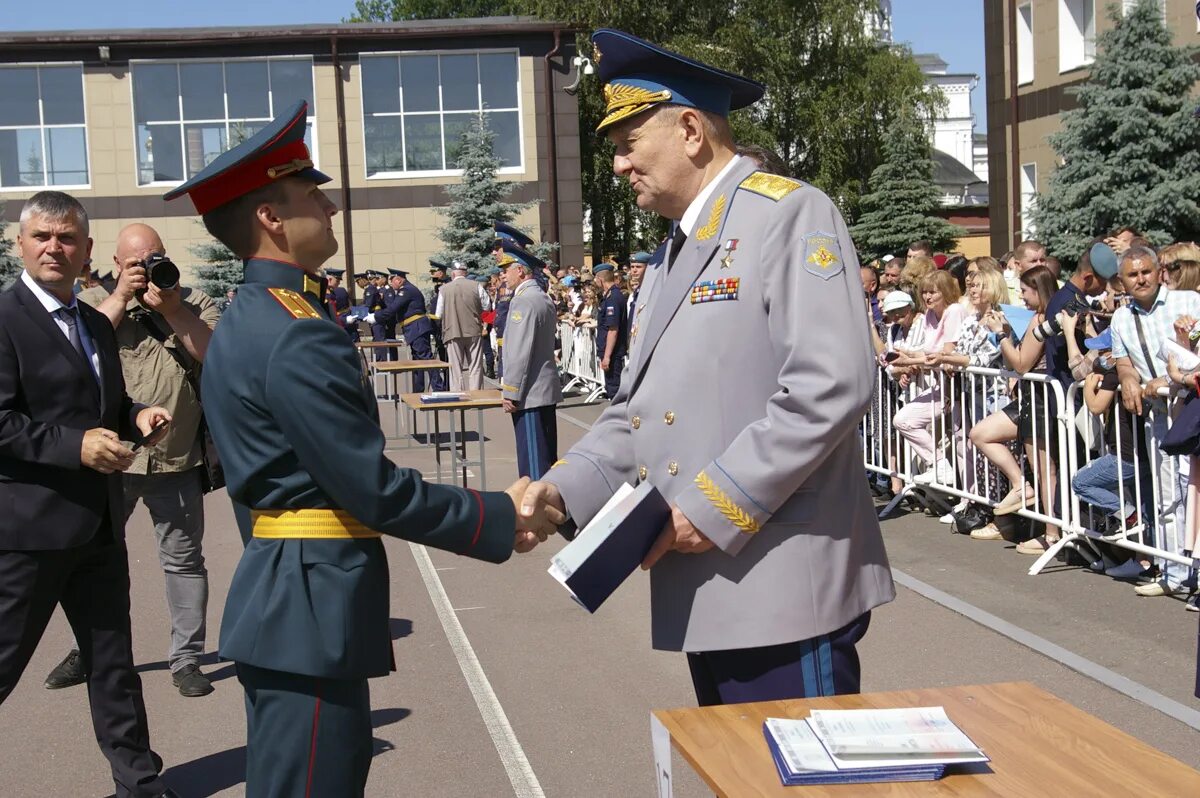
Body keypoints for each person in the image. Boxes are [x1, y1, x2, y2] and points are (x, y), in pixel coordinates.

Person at [162, 101, 559, 796]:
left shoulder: (259, 319)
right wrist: (499, 516)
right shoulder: (294, 330)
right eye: (310, 193)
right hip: (309, 606)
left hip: (291, 600)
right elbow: (367, 487)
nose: (330, 206)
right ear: (271, 218)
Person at [520, 29, 893, 706]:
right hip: (710, 589)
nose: (619, 166)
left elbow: (831, 386)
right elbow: (636, 408)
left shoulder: (789, 215)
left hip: (783, 586)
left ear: (690, 129)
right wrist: (562, 489)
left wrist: (711, 506)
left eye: (628, 144)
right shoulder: (670, 256)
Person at [0, 191, 175, 797]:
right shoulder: (4, 320)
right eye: (42, 236)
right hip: (28, 532)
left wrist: (138, 416)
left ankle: (138, 781)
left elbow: (106, 405)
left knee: (113, 663)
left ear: (87, 251)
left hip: (98, 527)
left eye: (67, 237)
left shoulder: (95, 323)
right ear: (20, 244)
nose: (55, 247)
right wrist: (74, 447)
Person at [43, 222, 221, 699]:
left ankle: (187, 659)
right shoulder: (93, 307)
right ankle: (89, 651)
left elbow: (215, 355)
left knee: (184, 562)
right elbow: (69, 355)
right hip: (108, 460)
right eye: (136, 261)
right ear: (117, 263)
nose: (147, 268)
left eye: (155, 256)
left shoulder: (192, 301)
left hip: (174, 459)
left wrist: (175, 310)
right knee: (89, 558)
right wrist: (121, 297)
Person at [1110, 245, 1200, 597]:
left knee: (1193, 492)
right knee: (1166, 497)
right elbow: (1123, 362)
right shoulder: (1121, 318)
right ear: (1123, 281)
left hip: (1192, 408)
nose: (1141, 279)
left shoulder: (1188, 302)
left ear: (1159, 271)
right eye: (1133, 275)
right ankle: (1173, 572)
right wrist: (1129, 378)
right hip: (1159, 416)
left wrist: (1171, 377)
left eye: (1146, 271)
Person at [498, 243, 561, 478]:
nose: (502, 275)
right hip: (542, 390)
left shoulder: (523, 300)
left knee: (534, 468)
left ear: (521, 271)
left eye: (506, 270)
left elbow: (518, 352)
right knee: (546, 458)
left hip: (530, 394)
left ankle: (538, 513)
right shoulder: (540, 296)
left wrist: (511, 391)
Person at [368, 269, 445, 392]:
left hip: (417, 327)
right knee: (417, 360)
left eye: (392, 281)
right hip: (413, 328)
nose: (391, 285)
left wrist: (376, 317)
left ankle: (440, 389)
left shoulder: (406, 290)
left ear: (398, 280)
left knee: (426, 358)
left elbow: (393, 308)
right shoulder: (406, 290)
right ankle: (418, 390)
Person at [435, 261, 491, 390]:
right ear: (465, 273)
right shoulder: (476, 285)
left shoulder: (444, 289)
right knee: (475, 366)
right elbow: (487, 306)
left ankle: (458, 395)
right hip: (473, 330)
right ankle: (476, 396)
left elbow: (439, 313)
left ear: (453, 273)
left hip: (452, 331)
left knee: (455, 367)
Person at [592, 262, 628, 398]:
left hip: (613, 352)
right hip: (610, 351)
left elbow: (613, 329)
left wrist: (607, 356)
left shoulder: (613, 298)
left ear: (600, 279)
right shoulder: (609, 296)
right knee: (612, 388)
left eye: (596, 279)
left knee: (615, 390)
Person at [325, 267, 356, 341]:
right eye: (337, 280)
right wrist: (344, 320)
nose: (339, 283)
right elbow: (327, 315)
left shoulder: (333, 292)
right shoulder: (323, 294)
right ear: (329, 280)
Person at [627, 250, 651, 343]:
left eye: (638, 267)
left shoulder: (650, 289)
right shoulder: (637, 291)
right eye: (632, 267)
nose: (634, 270)